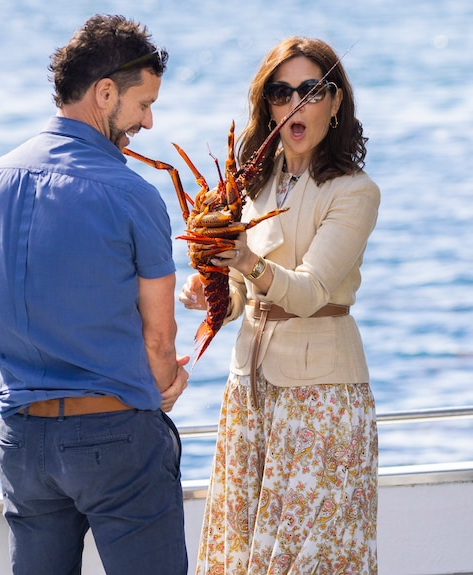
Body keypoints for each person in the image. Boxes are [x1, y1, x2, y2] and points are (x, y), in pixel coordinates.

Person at [0, 14, 190, 575]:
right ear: (105, 92)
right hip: (114, 437)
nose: (148, 120)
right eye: (143, 104)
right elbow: (160, 338)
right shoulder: (132, 194)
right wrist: (165, 383)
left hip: (22, 442)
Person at [179, 37, 379, 574]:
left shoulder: (355, 191)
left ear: (336, 103)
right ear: (266, 105)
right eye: (281, 91)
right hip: (249, 390)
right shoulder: (254, 187)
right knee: (244, 556)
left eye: (311, 90)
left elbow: (312, 292)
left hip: (321, 399)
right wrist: (211, 296)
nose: (295, 103)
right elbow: (245, 294)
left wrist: (244, 260)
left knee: (310, 558)